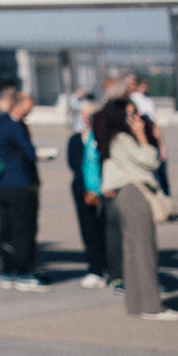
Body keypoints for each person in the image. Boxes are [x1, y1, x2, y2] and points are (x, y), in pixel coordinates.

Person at [97, 96, 177, 319]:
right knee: (145, 250)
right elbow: (150, 160)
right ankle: (152, 306)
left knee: (132, 250)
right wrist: (143, 135)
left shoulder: (114, 138)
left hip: (125, 194)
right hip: (134, 194)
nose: (136, 118)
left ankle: (136, 304)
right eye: (131, 114)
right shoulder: (123, 139)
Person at [0, 81, 44, 289]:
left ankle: (8, 271)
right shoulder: (13, 125)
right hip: (19, 182)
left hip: (1, 182)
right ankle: (24, 272)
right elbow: (30, 153)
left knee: (6, 227)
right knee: (22, 228)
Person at [66, 93, 109, 287]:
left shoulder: (104, 137)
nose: (86, 118)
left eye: (90, 114)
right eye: (83, 114)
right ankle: (95, 268)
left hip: (106, 189)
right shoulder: (76, 139)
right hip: (83, 191)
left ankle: (111, 266)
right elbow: (74, 164)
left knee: (107, 229)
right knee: (89, 230)